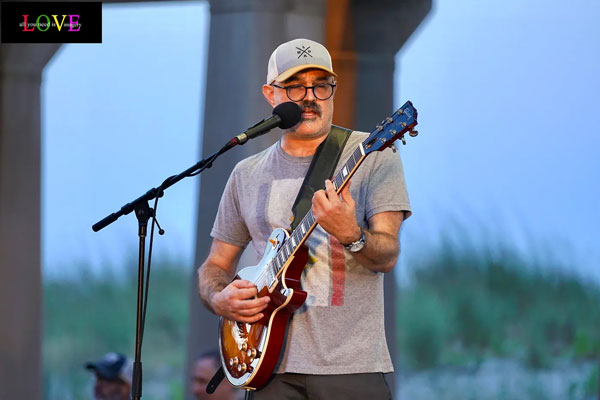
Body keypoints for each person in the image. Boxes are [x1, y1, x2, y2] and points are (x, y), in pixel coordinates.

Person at [198, 38, 411, 399]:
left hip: (351, 366)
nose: (309, 97)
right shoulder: (246, 174)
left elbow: (387, 254)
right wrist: (220, 299)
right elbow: (214, 266)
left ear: (333, 90)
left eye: (320, 86)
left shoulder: (374, 156)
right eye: (295, 86)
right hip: (267, 365)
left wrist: (351, 234)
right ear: (271, 94)